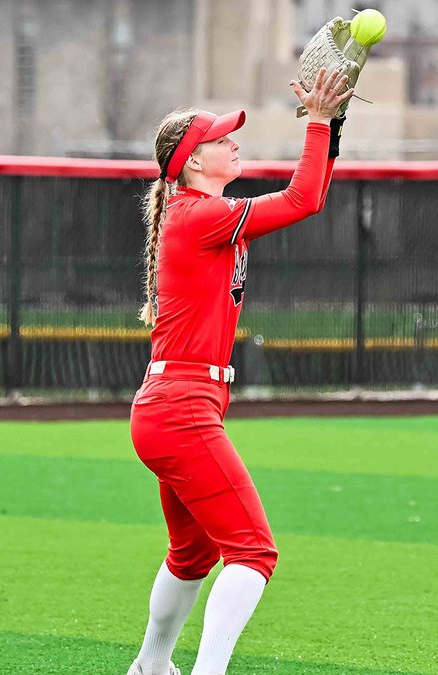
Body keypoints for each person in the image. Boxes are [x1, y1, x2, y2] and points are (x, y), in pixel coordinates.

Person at [126, 68, 352, 675]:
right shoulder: (200, 215)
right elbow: (303, 200)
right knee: (253, 552)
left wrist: (330, 130)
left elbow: (312, 193)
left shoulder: (197, 210)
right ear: (194, 163)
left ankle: (151, 665)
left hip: (171, 406)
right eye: (222, 139)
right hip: (181, 408)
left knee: (191, 554)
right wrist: (316, 122)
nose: (234, 143)